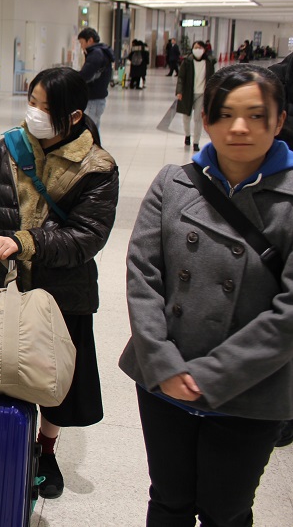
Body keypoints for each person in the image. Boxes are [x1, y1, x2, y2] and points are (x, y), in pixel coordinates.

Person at [120, 64, 293, 527]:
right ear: (206, 118)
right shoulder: (173, 183)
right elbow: (143, 274)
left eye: (256, 115)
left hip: (251, 389)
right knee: (169, 499)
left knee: (226, 509)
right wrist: (163, 363)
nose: (239, 127)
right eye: (225, 114)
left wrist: (211, 376)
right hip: (164, 379)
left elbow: (290, 314)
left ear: (279, 121)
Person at [0, 66, 119, 500]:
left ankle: (47, 449)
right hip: (3, 285)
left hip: (63, 291)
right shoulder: (8, 147)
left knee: (55, 375)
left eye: (47, 107)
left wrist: (24, 241)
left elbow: (86, 237)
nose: (35, 112)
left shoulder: (96, 167)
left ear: (75, 115)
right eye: (32, 101)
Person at [175, 40, 216, 152]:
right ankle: (187, 135)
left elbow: (212, 78)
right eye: (195, 47)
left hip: (201, 94)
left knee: (198, 118)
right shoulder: (187, 62)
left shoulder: (209, 62)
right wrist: (179, 91)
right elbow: (181, 77)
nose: (197, 50)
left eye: (199, 47)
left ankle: (196, 142)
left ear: (204, 49)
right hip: (188, 93)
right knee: (186, 117)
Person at [77, 27, 114, 127]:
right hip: (98, 97)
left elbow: (86, 74)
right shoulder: (101, 52)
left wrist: (74, 78)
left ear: (90, 40)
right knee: (94, 129)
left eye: (82, 43)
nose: (82, 46)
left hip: (93, 98)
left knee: (88, 130)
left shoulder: (95, 54)